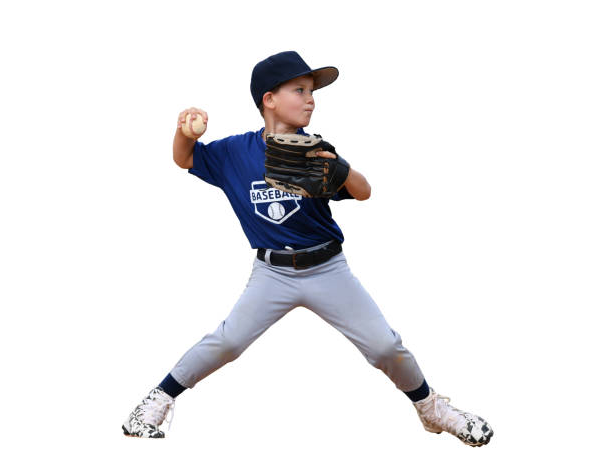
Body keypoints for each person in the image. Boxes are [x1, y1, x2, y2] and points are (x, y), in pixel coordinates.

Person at [122, 51, 494, 447]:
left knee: (385, 345)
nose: (311, 98)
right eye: (299, 89)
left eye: (312, 91)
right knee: (228, 341)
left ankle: (431, 409)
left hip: (327, 268)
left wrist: (342, 170)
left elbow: (364, 192)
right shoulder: (234, 153)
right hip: (272, 273)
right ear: (269, 99)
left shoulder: (315, 151)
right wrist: (185, 133)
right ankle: (158, 398)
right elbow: (184, 159)